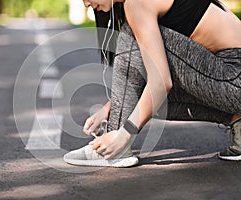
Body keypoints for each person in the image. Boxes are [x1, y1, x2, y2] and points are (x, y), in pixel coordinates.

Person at [63, 0, 241, 167]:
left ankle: (114, 147)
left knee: (131, 37)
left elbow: (161, 83)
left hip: (234, 77)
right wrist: (108, 109)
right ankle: (238, 122)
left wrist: (124, 135)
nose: (86, 3)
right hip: (230, 80)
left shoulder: (137, 4)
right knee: (145, 101)